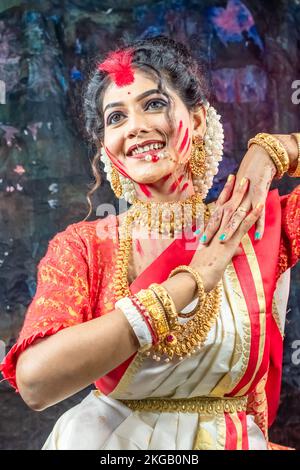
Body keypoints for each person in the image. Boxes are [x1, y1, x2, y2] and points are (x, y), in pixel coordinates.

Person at [0, 36, 299, 450]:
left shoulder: (253, 226)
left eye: (153, 104)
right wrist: (192, 281)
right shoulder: (86, 247)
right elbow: (35, 382)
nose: (136, 126)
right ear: (106, 144)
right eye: (116, 117)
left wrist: (275, 149)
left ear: (196, 121)